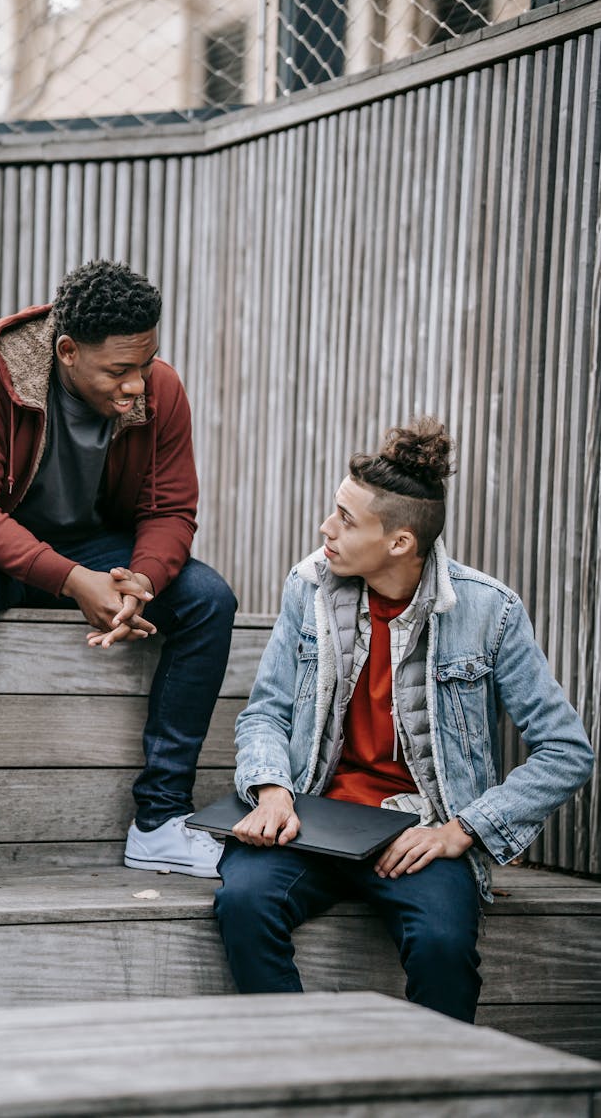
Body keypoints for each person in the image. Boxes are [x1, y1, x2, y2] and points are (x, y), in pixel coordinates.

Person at [214, 417, 593, 1022]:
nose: (325, 528)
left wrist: (461, 830)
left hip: (419, 831)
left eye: (345, 518)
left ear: (399, 543)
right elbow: (266, 711)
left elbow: (567, 750)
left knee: (443, 946)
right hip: (313, 814)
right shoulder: (307, 588)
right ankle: (296, 1074)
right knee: (243, 903)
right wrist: (272, 791)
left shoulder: (488, 611)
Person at [0, 259, 236, 892]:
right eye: (118, 371)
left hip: (94, 545)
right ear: (68, 351)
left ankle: (160, 821)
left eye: (145, 363)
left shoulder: (160, 389)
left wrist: (140, 583)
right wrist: (76, 581)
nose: (138, 384)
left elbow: (169, 510)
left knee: (211, 599)